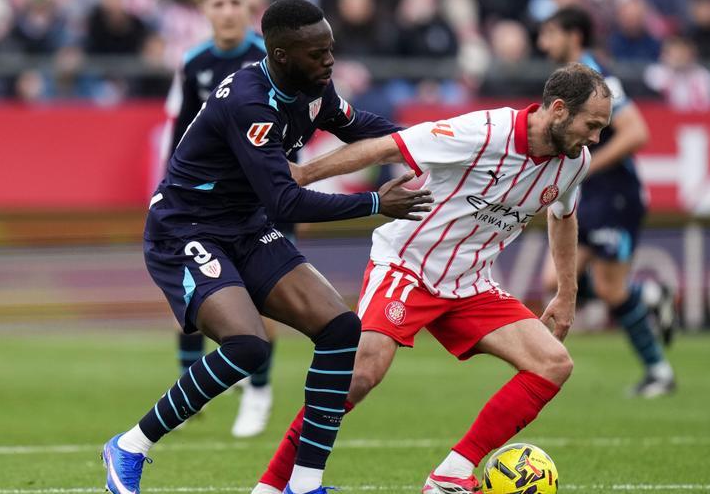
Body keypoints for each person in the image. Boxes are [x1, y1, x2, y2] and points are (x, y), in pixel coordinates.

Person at [101, 1, 433, 494]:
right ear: (281, 55)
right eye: (317, 53)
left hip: (246, 225)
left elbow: (357, 123)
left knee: (341, 328)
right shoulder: (250, 102)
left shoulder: (314, 86)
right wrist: (374, 203)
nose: (329, 60)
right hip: (186, 230)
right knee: (248, 345)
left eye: (330, 49)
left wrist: (439, 141)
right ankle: (130, 445)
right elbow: (284, 200)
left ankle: (304, 484)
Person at [251, 63, 611, 494]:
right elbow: (388, 147)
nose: (595, 138)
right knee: (361, 373)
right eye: (592, 125)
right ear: (559, 109)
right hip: (408, 266)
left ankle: (450, 474)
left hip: (471, 284)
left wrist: (567, 292)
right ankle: (270, 487)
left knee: (553, 364)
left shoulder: (574, 163)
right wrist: (303, 174)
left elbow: (563, 216)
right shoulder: (484, 132)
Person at [537, 6, 677, 397]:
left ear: (574, 36)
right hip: (593, 195)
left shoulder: (600, 79)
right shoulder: (570, 80)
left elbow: (636, 132)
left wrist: (587, 168)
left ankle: (659, 372)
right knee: (555, 281)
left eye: (550, 33)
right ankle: (649, 296)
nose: (542, 43)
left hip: (616, 195)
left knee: (610, 290)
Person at [163, 0, 279, 439]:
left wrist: (286, 189)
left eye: (235, 3)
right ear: (204, 11)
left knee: (269, 299)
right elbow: (182, 133)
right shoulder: (194, 62)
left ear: (249, 9)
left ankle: (259, 391)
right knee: (192, 290)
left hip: (261, 197)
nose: (228, 12)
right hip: (204, 202)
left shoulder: (269, 58)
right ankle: (190, 384)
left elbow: (287, 131)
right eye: (218, 3)